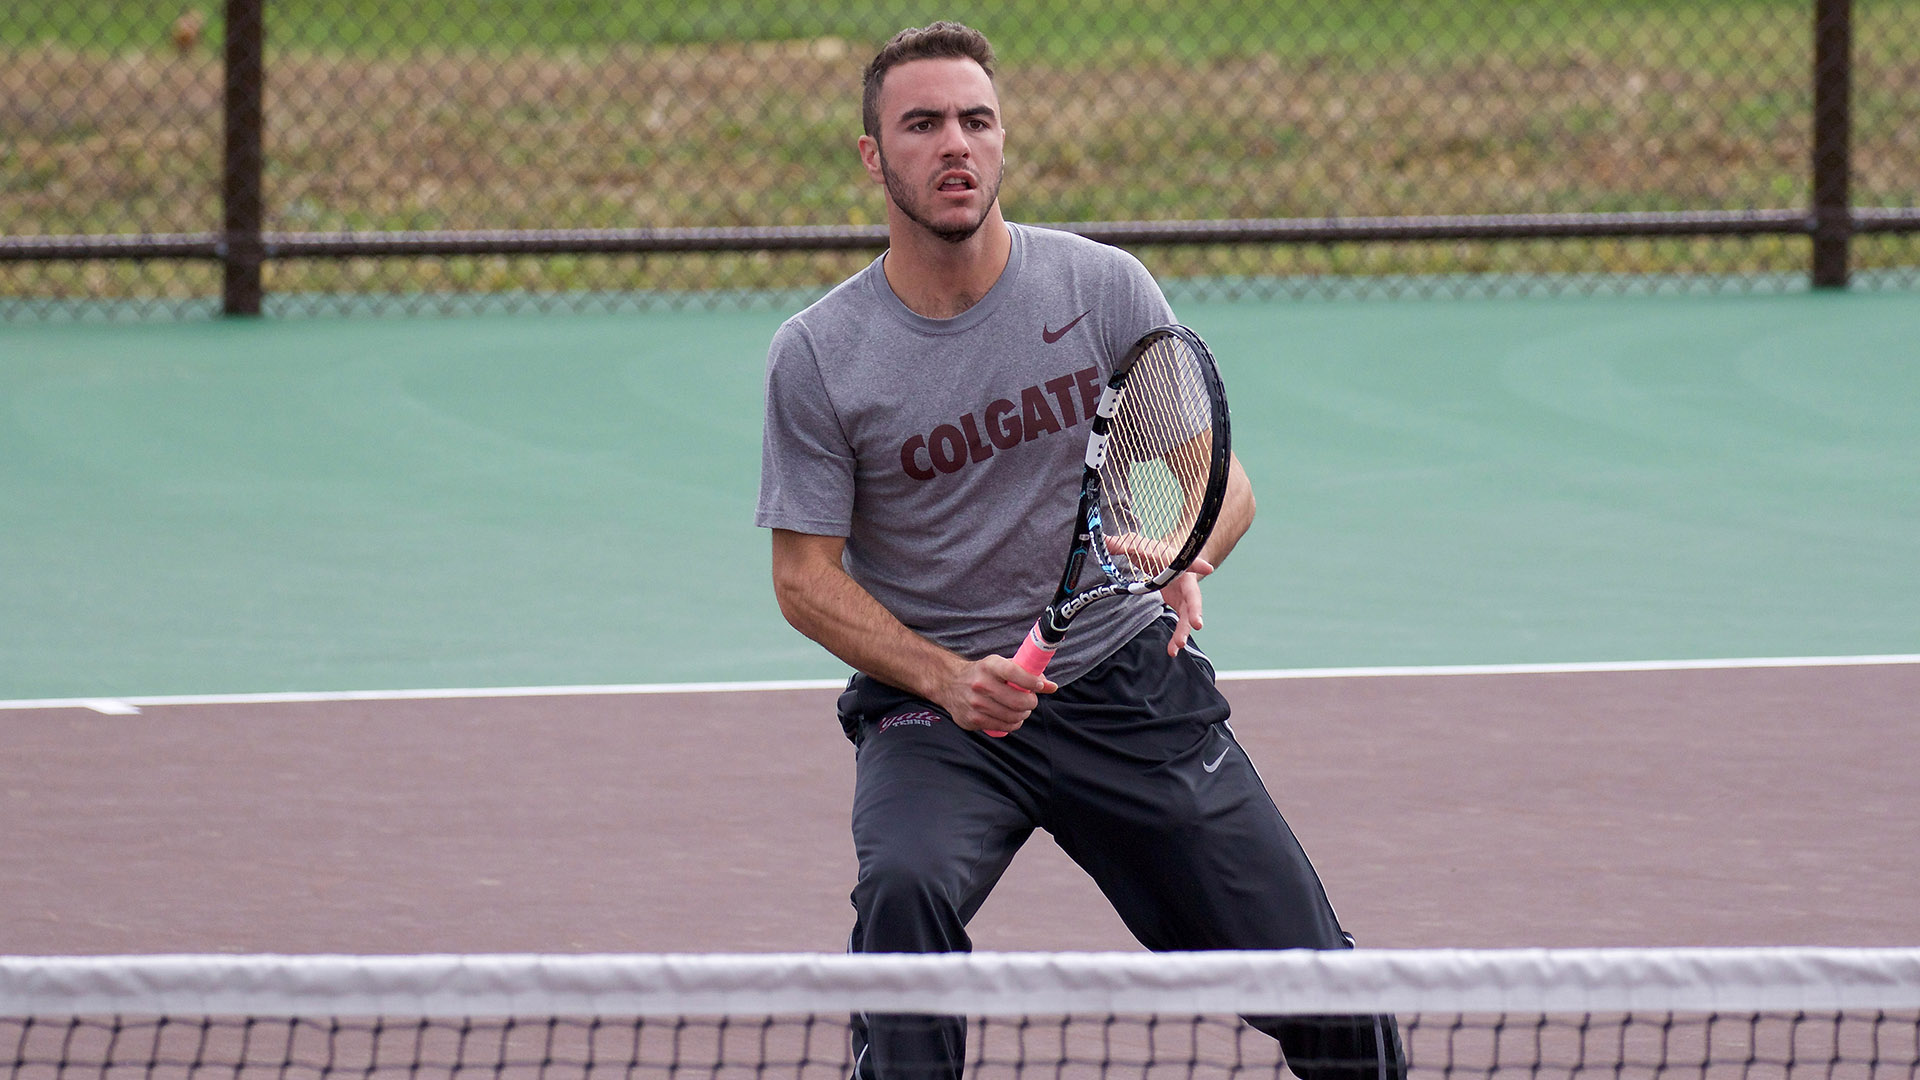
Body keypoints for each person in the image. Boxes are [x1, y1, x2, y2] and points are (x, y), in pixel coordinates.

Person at [755, 22, 1404, 1080]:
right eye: (921, 125)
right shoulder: (822, 355)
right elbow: (803, 579)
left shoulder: (1099, 290)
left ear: (1004, 138)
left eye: (976, 119)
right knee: (904, 895)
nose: (953, 145)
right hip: (940, 721)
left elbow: (1219, 483)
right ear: (874, 157)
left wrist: (1191, 553)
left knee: (1329, 996)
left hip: (1123, 685)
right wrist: (948, 680)